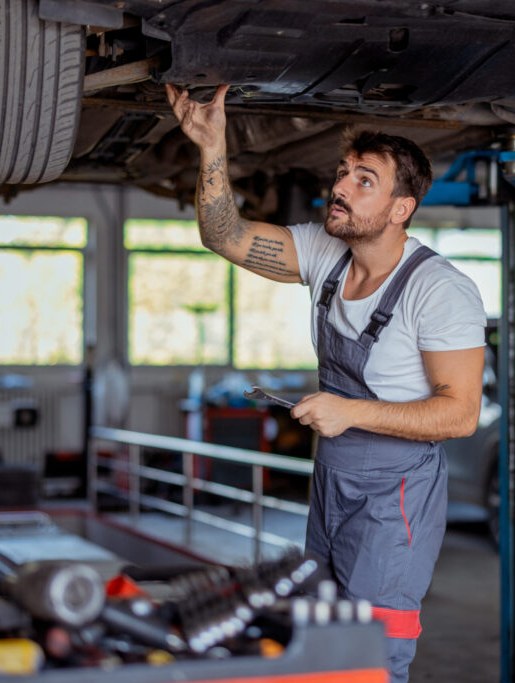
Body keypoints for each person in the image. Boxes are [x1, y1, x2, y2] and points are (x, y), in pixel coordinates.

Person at [166, 84, 486, 682]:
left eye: (365, 179)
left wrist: (351, 412)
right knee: (323, 633)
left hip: (397, 494)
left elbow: (460, 415)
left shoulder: (440, 291)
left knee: (372, 650)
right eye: (343, 172)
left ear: (401, 208)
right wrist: (212, 146)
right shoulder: (324, 251)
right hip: (333, 479)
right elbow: (224, 237)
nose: (340, 186)